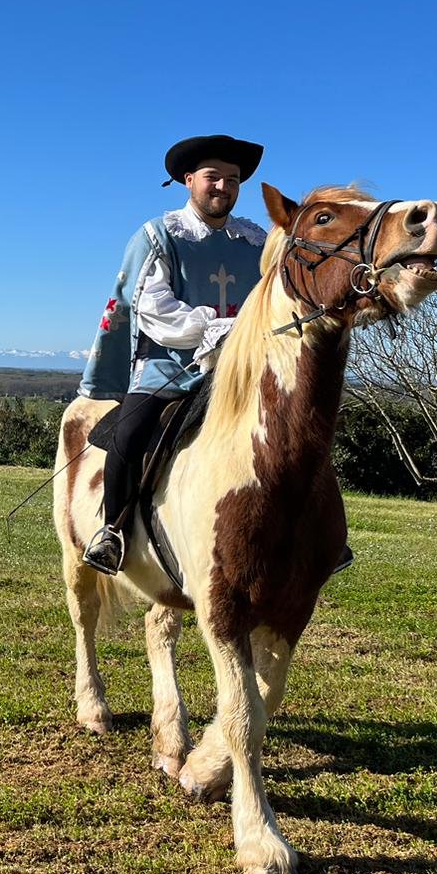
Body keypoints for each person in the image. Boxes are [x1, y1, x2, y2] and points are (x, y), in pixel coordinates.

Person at [80, 134, 267, 576]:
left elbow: (270, 299)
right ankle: (113, 532)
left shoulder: (256, 242)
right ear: (189, 181)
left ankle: (321, 536)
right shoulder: (160, 236)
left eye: (233, 180)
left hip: (240, 371)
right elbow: (153, 307)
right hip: (168, 369)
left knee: (296, 427)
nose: (223, 187)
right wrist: (217, 329)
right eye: (213, 177)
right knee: (129, 436)